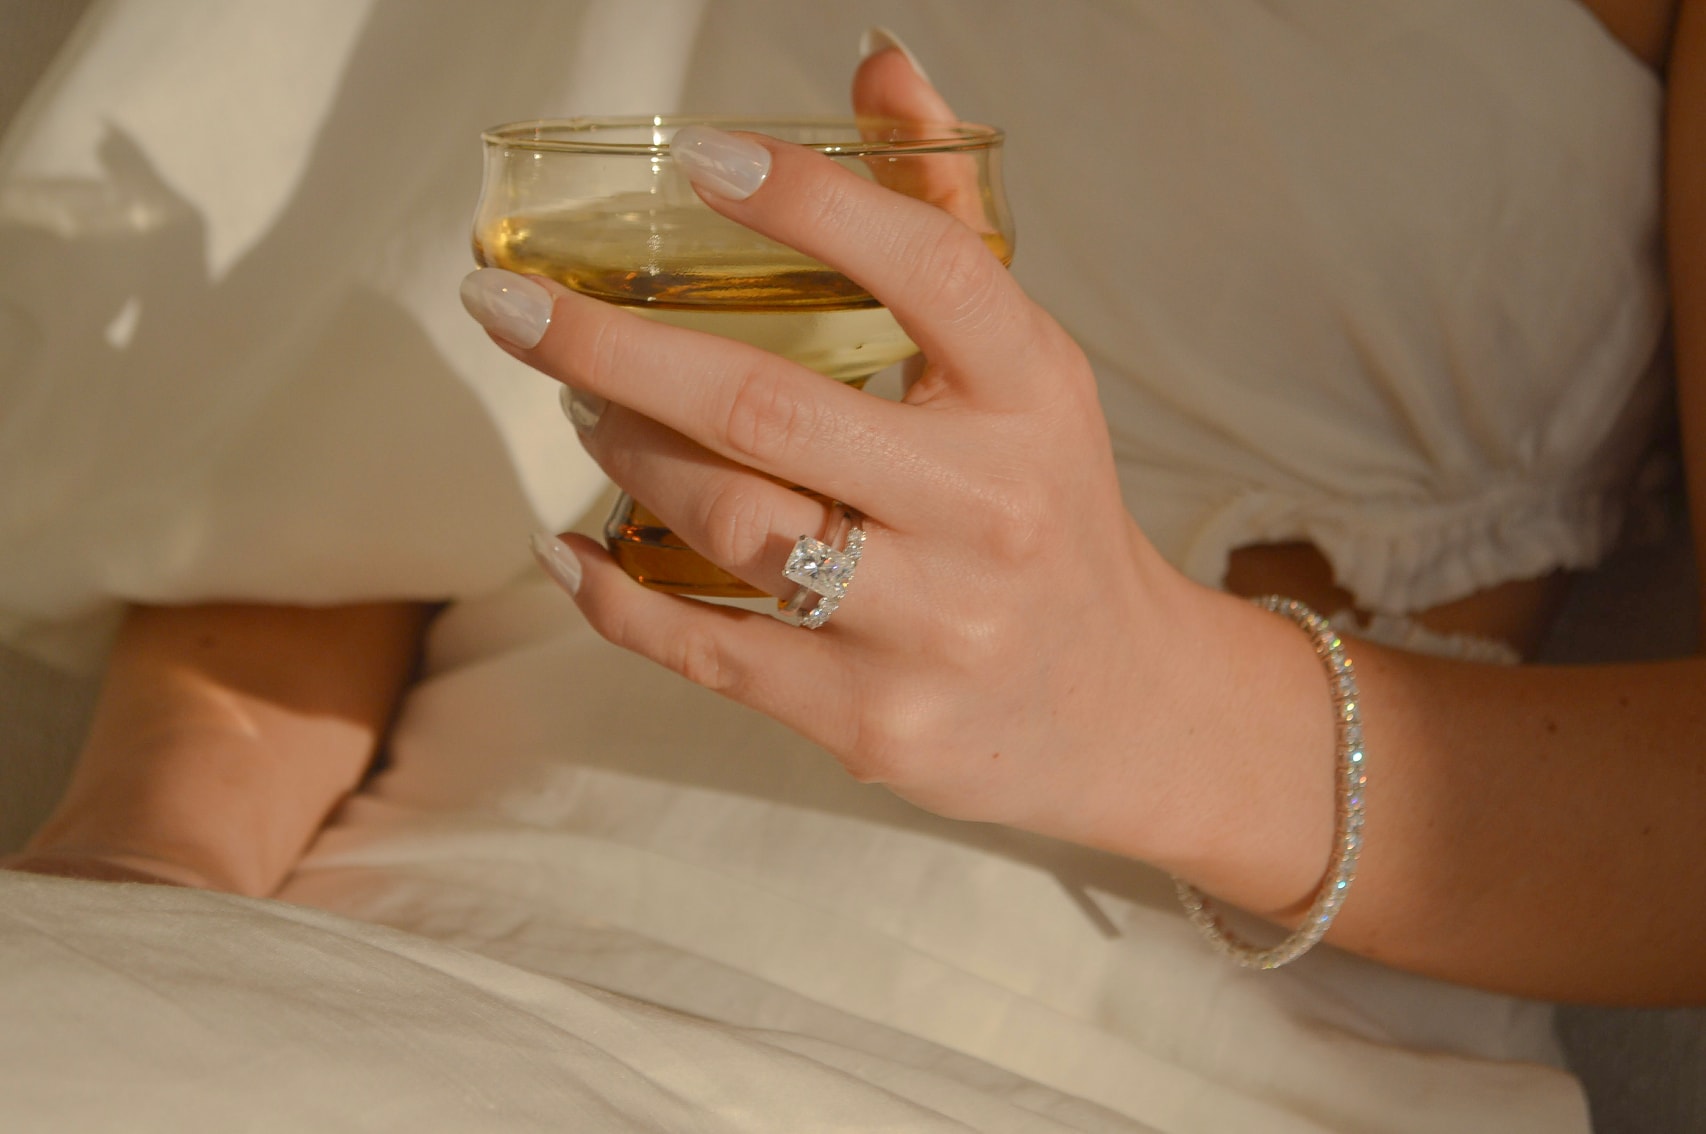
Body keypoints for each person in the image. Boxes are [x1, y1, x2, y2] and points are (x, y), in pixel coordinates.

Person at [2, 1, 1701, 1128]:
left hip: (1128, 1055)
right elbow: (325, 374)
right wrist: (149, 887)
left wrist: (1138, 701)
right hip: (393, 926)